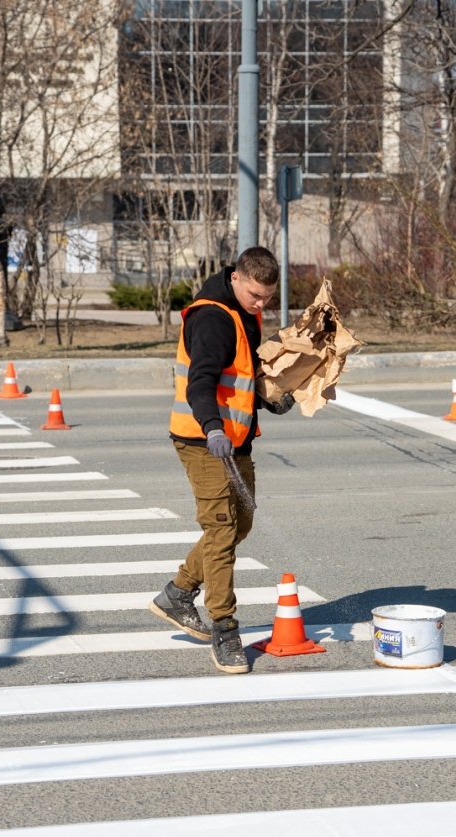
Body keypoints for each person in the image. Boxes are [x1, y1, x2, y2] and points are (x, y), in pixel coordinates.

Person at [149, 246, 295, 674]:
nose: (261, 304)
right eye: (255, 295)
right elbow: (200, 383)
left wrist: (271, 402)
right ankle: (224, 628)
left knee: (242, 521)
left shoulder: (243, 312)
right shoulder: (212, 318)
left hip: (236, 439)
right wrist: (212, 426)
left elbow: (243, 377)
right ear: (236, 278)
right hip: (202, 439)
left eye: (267, 298)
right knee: (221, 528)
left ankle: (178, 593)